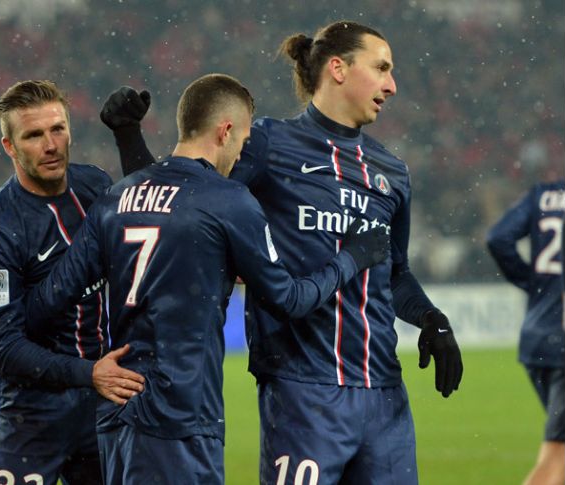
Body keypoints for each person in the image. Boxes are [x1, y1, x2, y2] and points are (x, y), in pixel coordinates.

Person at [107, 20, 464, 484]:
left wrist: (432, 319)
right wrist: (129, 138)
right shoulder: (268, 144)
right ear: (338, 68)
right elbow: (178, 207)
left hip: (383, 394)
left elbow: (394, 273)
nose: (391, 85)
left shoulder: (391, 172)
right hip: (301, 391)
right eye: (381, 68)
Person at [25, 73, 391, 485]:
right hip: (180, 415)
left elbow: (46, 302)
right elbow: (288, 299)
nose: (240, 153)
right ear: (225, 131)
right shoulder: (228, 201)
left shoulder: (117, 197)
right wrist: (352, 258)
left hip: (117, 417)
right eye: (243, 139)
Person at [0, 79, 147, 485]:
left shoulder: (95, 187)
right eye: (33, 135)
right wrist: (89, 373)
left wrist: (128, 136)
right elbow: (5, 346)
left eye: (58, 129)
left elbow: (152, 219)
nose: (51, 145)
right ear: (9, 147)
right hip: (30, 414)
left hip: (102, 403)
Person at [487, 180, 565, 485]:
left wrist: (534, 284)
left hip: (539, 337)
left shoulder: (543, 195)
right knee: (557, 457)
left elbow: (498, 238)